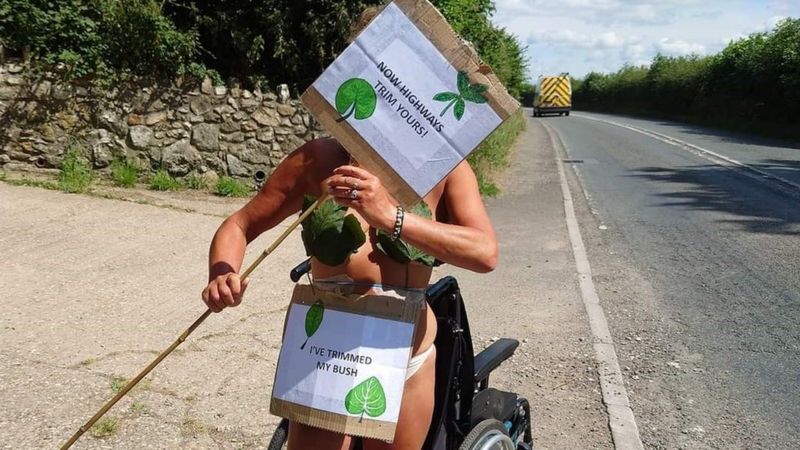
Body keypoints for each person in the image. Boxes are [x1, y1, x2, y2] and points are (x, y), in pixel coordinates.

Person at [201, 136, 497, 449]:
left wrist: (389, 216)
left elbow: (484, 252)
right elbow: (241, 223)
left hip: (406, 357)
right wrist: (222, 274)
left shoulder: (445, 167)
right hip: (325, 352)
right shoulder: (319, 158)